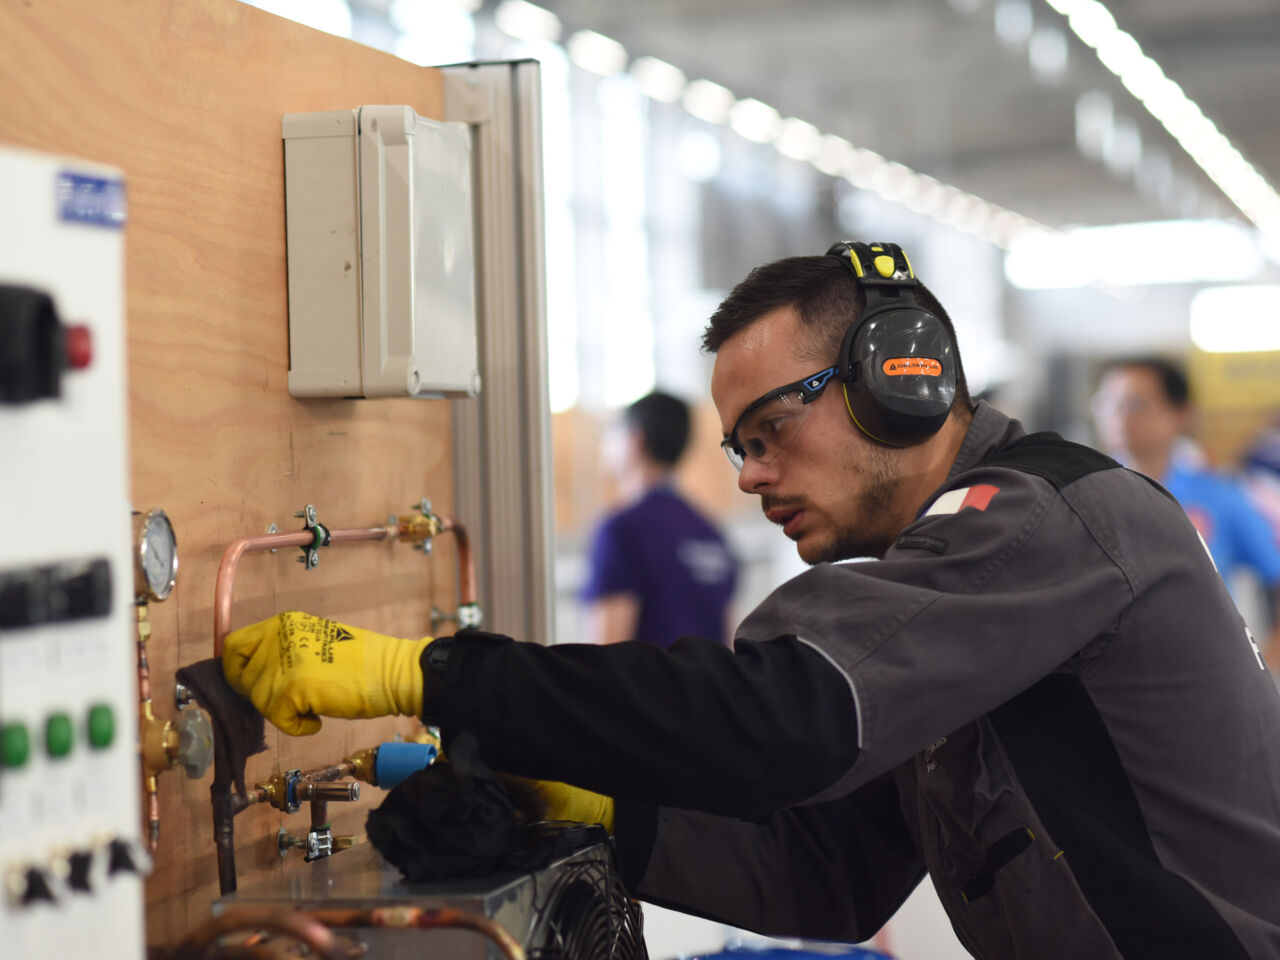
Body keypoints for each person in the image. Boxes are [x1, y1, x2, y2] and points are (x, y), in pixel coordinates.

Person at [224, 242, 1280, 959]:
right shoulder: (953, 583)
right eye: (736, 446)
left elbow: (783, 718)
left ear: (897, 381)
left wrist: (426, 673)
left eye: (770, 431)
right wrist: (593, 802)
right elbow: (829, 873)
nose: (747, 475)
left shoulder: (1040, 514)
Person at [1092, 356, 1280, 666]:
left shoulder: (1217, 495)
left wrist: (1266, 667)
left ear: (1180, 413)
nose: (1119, 418)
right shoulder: (1084, 495)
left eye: (1134, 404)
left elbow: (1274, 570)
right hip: (1112, 682)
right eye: (1108, 404)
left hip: (1205, 675)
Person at [582, 390, 737, 648]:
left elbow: (607, 658)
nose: (605, 446)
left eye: (611, 435)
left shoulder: (622, 531)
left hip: (647, 689)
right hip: (709, 688)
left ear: (635, 441)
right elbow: (727, 640)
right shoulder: (711, 532)